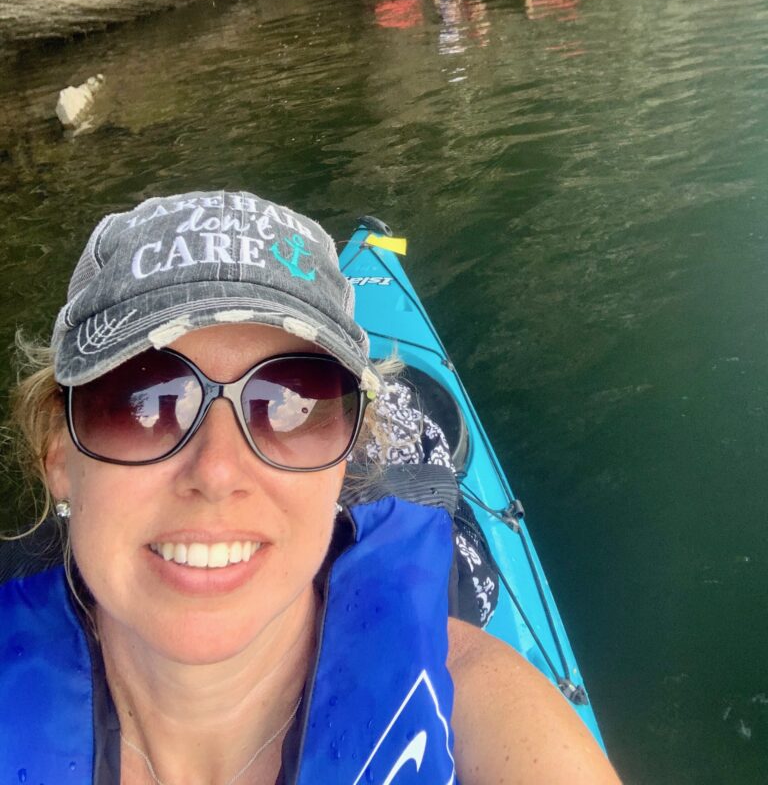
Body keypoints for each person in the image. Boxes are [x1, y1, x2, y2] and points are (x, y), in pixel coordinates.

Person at [0, 189, 623, 785]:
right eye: (143, 403)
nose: (217, 473)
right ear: (58, 453)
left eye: (291, 403)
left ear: (346, 455)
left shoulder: (480, 704)